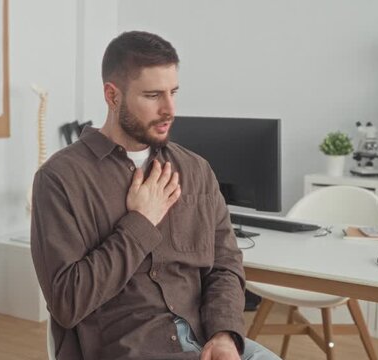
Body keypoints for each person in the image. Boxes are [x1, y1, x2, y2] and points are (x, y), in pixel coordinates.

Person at [30, 31, 280, 360]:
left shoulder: (195, 170)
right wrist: (141, 223)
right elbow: (67, 303)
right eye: (152, 95)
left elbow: (225, 265)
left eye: (173, 92)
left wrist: (224, 334)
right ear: (112, 95)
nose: (169, 109)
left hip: (205, 339)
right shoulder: (59, 179)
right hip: (129, 348)